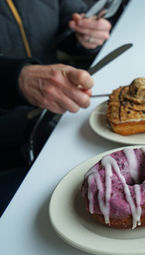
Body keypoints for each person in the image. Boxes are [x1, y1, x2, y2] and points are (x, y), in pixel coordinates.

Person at [0, 0, 112, 216]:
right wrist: (15, 78)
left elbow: (67, 19)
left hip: (55, 124)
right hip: (8, 155)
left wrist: (86, 33)